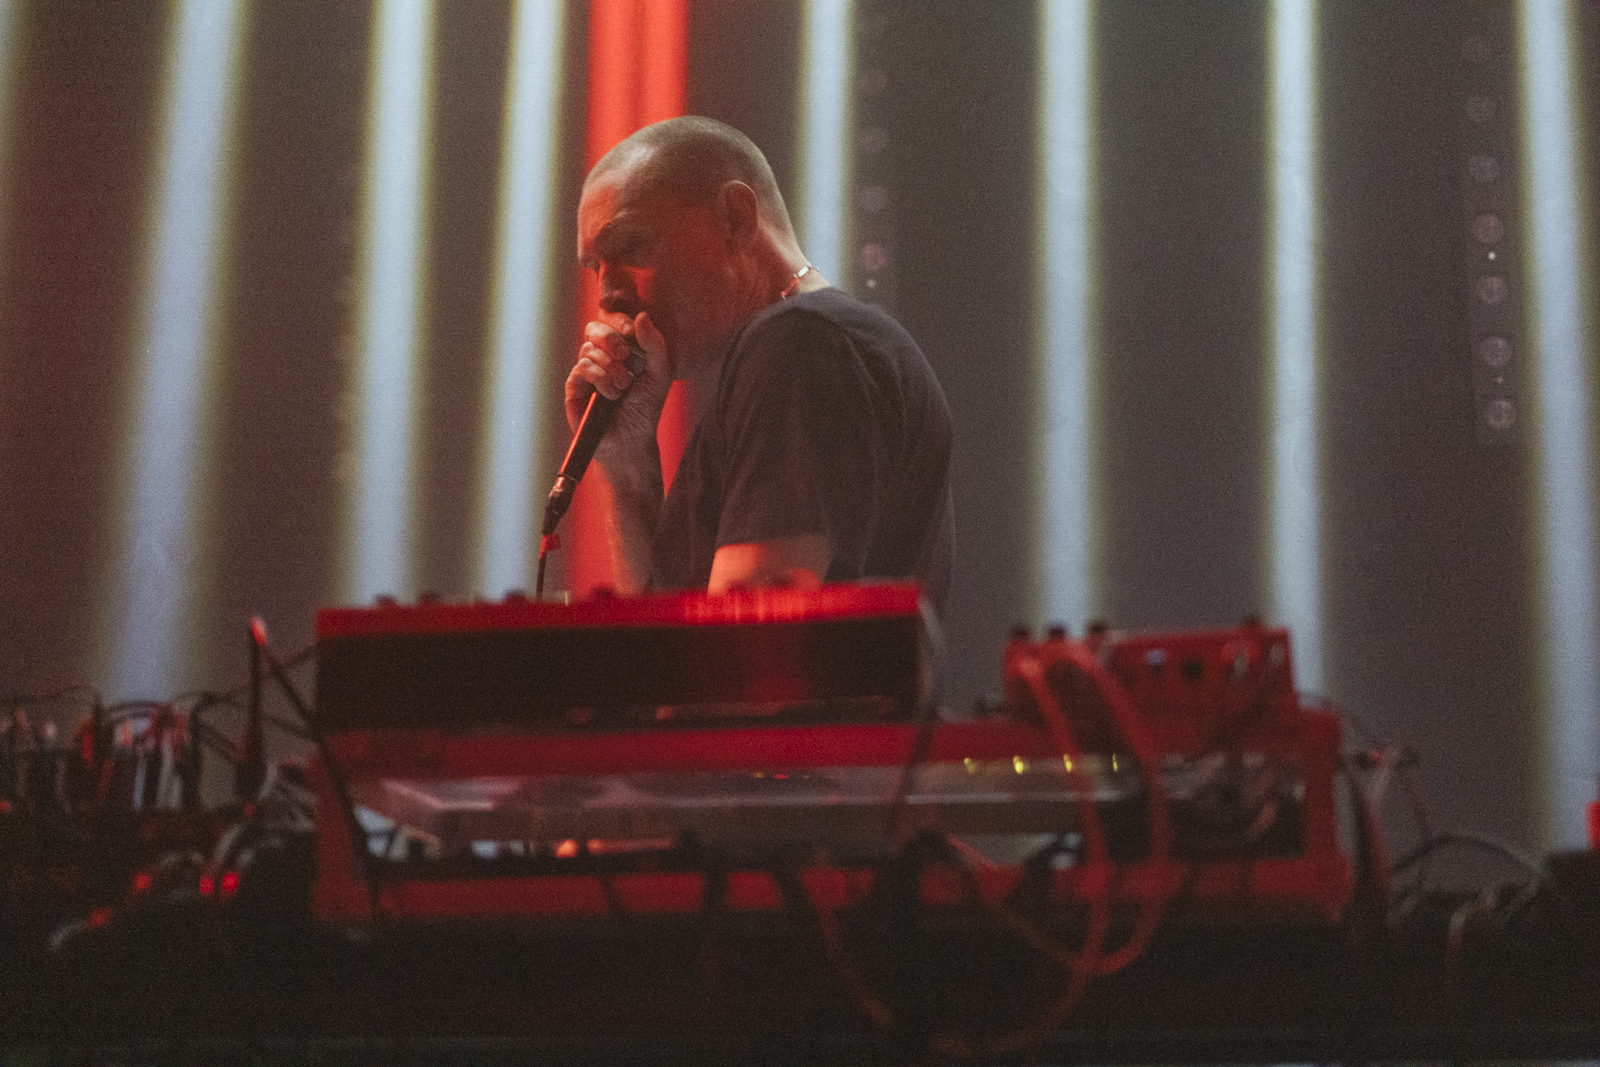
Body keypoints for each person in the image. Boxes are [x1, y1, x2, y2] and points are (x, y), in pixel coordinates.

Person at [567, 116, 954, 613]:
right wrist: (629, 466)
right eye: (595, 267)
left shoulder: (801, 341)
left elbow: (750, 640)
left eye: (630, 247)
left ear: (736, 217)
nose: (607, 293)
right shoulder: (807, 344)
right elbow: (658, 642)